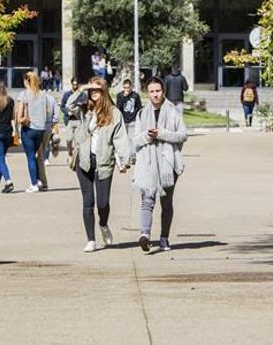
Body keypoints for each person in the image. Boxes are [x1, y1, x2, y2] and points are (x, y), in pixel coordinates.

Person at [67, 76, 132, 252]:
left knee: (103, 203)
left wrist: (125, 160)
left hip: (104, 162)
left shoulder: (114, 113)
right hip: (84, 161)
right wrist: (82, 88)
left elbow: (121, 139)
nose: (93, 93)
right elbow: (68, 105)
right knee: (88, 202)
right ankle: (91, 240)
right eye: (92, 90)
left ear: (104, 91)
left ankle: (103, 224)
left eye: (97, 89)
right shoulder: (84, 110)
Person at [132, 77, 188, 252]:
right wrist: (148, 136)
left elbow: (182, 135)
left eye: (158, 91)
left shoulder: (173, 112)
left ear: (163, 91)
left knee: (166, 202)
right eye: (152, 91)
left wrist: (162, 134)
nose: (155, 94)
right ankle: (145, 234)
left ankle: (164, 237)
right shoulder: (142, 113)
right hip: (148, 163)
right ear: (147, 93)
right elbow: (135, 141)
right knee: (147, 199)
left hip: (168, 163)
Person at [16, 71, 49, 193]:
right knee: (35, 155)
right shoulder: (43, 94)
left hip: (29, 129)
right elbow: (47, 111)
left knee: (30, 157)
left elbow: (20, 117)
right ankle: (38, 179)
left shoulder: (23, 95)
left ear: (26, 81)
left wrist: (22, 119)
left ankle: (34, 183)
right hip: (41, 130)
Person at [35, 90, 58, 190]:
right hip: (48, 127)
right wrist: (51, 124)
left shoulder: (35, 99)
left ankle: (41, 181)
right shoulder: (51, 99)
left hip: (37, 128)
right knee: (40, 154)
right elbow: (56, 116)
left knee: (38, 156)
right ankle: (41, 180)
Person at [60, 78, 86, 162]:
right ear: (71, 84)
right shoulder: (67, 94)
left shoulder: (82, 95)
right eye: (74, 84)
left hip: (79, 120)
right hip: (69, 120)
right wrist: (67, 112)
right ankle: (70, 153)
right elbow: (62, 106)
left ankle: (75, 158)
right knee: (69, 139)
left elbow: (86, 106)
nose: (75, 86)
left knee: (78, 141)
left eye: (76, 84)